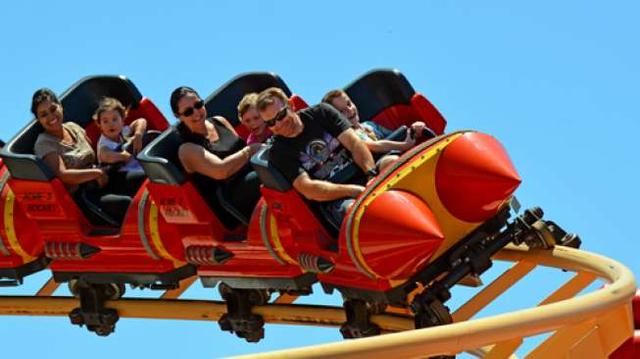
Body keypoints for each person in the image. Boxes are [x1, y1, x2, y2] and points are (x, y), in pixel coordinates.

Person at [256, 87, 378, 226]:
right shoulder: (279, 152)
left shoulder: (321, 113)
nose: (278, 124)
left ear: (290, 105)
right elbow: (308, 188)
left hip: (363, 172)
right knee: (355, 212)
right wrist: (352, 191)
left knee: (391, 162)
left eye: (281, 115)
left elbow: (355, 143)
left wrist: (371, 175)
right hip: (337, 198)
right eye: (271, 122)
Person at [31, 88, 131, 224]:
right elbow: (63, 175)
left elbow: (95, 152)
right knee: (127, 204)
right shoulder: (43, 143)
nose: (50, 117)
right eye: (44, 115)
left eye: (53, 109)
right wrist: (95, 173)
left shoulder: (73, 127)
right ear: (39, 120)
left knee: (138, 179)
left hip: (102, 177)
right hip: (83, 195)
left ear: (60, 107)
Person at [170, 86, 261, 226]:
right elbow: (220, 171)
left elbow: (241, 147)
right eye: (188, 112)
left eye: (198, 105)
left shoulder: (220, 121)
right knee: (266, 176)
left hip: (250, 173)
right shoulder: (187, 149)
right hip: (229, 200)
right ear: (178, 116)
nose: (196, 112)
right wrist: (250, 151)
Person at [322, 89, 434, 150]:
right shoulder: (348, 138)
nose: (350, 110)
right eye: (342, 111)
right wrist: (404, 145)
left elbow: (396, 136)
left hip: (397, 156)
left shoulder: (370, 125)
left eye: (349, 104)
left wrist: (413, 131)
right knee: (390, 161)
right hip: (380, 170)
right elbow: (373, 146)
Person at [93, 97, 147, 196]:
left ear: (122, 120)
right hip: (118, 177)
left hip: (136, 167)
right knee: (145, 177)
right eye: (105, 121)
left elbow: (141, 121)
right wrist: (122, 156)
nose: (111, 124)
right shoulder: (104, 143)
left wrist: (138, 134)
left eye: (115, 119)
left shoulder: (123, 131)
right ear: (99, 125)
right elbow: (104, 155)